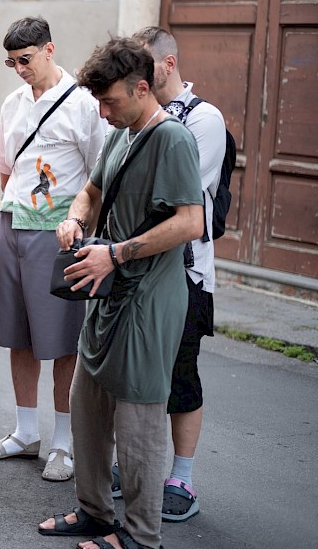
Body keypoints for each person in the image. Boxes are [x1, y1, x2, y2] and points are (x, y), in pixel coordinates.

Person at [38, 37, 204, 549]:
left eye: (110, 101)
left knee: (138, 422)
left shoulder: (172, 139)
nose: (102, 111)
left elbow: (191, 222)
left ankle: (139, 535)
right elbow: (92, 189)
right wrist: (73, 218)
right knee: (86, 405)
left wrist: (116, 253)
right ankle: (94, 512)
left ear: (141, 87)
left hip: (149, 298)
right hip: (107, 293)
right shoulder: (121, 133)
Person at [0, 17, 105, 482]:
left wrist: (79, 226)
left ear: (49, 50)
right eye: (10, 62)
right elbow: (5, 168)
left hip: (59, 233)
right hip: (13, 224)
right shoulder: (13, 103)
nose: (18, 69)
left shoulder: (84, 104)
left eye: (24, 60)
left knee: (63, 339)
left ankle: (64, 444)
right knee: (19, 333)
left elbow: (98, 176)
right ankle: (25, 432)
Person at [132, 26, 226, 522]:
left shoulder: (204, 119)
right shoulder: (137, 113)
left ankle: (182, 479)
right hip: (136, 269)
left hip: (186, 274)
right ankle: (137, 465)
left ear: (168, 65)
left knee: (179, 377)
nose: (137, 78)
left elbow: (167, 194)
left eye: (145, 66)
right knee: (134, 372)